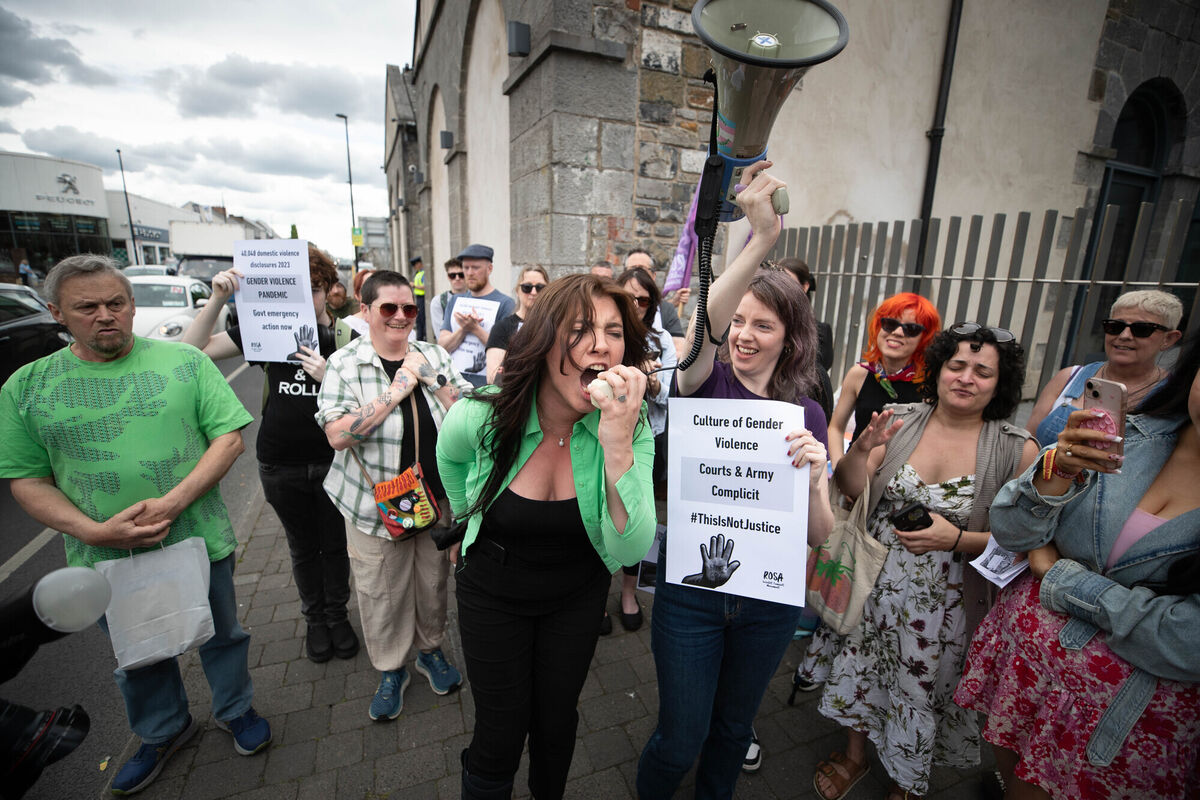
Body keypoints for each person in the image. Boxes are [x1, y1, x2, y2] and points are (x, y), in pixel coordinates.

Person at [0, 254, 271, 795]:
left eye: (116, 303)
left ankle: (235, 709)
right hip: (104, 556)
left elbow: (229, 439)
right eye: (87, 307)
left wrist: (174, 502)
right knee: (138, 651)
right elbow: (27, 479)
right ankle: (162, 730)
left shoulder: (183, 363)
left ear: (130, 305)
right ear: (57, 312)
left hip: (197, 539)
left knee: (222, 634)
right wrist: (92, 531)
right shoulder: (27, 387)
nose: (106, 315)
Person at [636, 161, 836, 800]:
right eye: (740, 323)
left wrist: (813, 478)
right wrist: (762, 241)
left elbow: (821, 534)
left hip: (768, 605)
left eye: (764, 325)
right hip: (693, 594)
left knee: (731, 731)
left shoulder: (805, 413)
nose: (745, 335)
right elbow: (706, 323)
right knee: (681, 736)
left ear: (790, 338)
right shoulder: (702, 379)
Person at [436, 273, 657, 799]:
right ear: (542, 342)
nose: (601, 344)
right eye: (580, 329)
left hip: (576, 597)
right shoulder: (484, 414)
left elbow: (631, 547)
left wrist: (617, 444)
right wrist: (468, 519)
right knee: (500, 732)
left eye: (613, 331)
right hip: (491, 591)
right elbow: (451, 458)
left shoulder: (630, 424)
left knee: (557, 723)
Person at [954, 332, 1200, 800]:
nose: (1125, 334)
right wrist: (1057, 471)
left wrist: (1063, 576)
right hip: (1024, 667)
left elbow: (1190, 641)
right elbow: (1015, 532)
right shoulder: (1123, 433)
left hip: (1123, 720)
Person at [802, 323, 1039, 800]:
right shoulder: (902, 419)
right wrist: (863, 449)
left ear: (1000, 384)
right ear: (938, 369)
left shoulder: (1017, 448)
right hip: (872, 581)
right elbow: (851, 487)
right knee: (862, 665)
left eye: (982, 371)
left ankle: (904, 781)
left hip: (948, 604)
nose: (966, 378)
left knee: (922, 687)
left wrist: (958, 539)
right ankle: (855, 755)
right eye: (957, 365)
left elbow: (1025, 546)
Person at [181, 245, 360, 665]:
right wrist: (218, 298)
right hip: (280, 461)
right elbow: (191, 351)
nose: (307, 298)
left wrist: (329, 371)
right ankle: (315, 620)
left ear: (329, 290)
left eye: (314, 288)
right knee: (302, 548)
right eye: (296, 288)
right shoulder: (268, 326)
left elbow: (368, 400)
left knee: (334, 546)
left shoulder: (348, 335)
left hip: (336, 459)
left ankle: (338, 617)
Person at [317, 271, 472, 722]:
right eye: (389, 308)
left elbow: (466, 410)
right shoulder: (346, 363)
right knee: (382, 589)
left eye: (409, 309)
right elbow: (337, 434)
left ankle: (429, 650)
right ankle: (390, 668)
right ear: (364, 312)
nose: (401, 317)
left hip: (434, 501)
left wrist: (433, 382)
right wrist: (395, 391)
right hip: (372, 505)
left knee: (431, 583)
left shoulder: (433, 353)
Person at [1025, 289, 1183, 446]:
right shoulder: (1069, 378)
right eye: (1115, 326)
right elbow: (1030, 443)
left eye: (1141, 329)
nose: (1124, 335)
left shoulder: (1175, 396)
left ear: (1168, 339)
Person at [611, 266, 677, 632]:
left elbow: (667, 395)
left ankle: (629, 591)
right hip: (601, 437)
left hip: (647, 438)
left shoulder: (661, 337)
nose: (634, 305)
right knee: (600, 509)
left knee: (642, 516)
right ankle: (596, 595)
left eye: (643, 299)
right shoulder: (605, 331)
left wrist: (649, 381)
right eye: (627, 297)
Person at [826, 293, 941, 467]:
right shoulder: (859, 374)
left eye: (911, 329)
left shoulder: (930, 382)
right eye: (890, 324)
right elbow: (835, 427)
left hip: (900, 481)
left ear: (924, 338)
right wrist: (838, 469)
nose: (897, 332)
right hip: (855, 474)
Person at [437, 244, 516, 387]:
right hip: (455, 384)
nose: (470, 272)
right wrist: (463, 329)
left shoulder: (506, 304)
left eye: (475, 267)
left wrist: (475, 329)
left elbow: (508, 351)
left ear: (489, 269)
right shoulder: (455, 301)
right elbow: (442, 346)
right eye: (466, 267)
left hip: (486, 387)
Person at [485, 266, 549, 384]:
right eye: (527, 287)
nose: (533, 292)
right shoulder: (502, 327)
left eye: (540, 288)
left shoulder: (554, 326)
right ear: (517, 291)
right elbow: (492, 377)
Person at [624, 249, 686, 356]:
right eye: (633, 269)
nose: (636, 305)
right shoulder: (612, 308)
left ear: (653, 276)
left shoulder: (666, 311)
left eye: (643, 301)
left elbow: (679, 349)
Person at [429, 258, 466, 336]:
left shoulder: (476, 298)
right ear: (448, 277)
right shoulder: (439, 301)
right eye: (452, 275)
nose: (457, 278)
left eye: (461, 275)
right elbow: (439, 335)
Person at [344, 268, 375, 336]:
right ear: (357, 295)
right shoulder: (347, 325)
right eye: (366, 288)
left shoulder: (392, 320)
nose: (372, 292)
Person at [411, 256, 427, 341]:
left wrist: (414, 285)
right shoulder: (418, 273)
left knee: (422, 319)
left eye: (415, 265)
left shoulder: (423, 273)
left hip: (423, 298)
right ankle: (419, 337)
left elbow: (425, 286)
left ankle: (422, 338)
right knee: (419, 319)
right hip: (418, 298)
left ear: (419, 264)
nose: (415, 267)